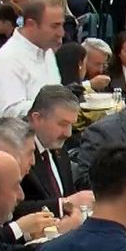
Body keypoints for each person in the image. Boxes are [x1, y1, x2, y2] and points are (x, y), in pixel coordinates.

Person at [24, 85, 94, 216]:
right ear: (37, 118)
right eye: (63, 124)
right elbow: (12, 211)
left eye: (71, 125)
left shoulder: (57, 145)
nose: (68, 133)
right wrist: (63, 205)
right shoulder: (17, 150)